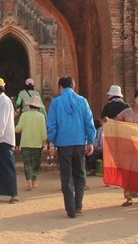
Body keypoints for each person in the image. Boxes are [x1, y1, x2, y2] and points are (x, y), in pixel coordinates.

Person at [46, 75, 96, 218]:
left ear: (60, 87)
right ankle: (78, 206)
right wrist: (90, 141)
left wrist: (51, 143)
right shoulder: (82, 101)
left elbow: (52, 124)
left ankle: (70, 209)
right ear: (73, 87)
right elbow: (89, 122)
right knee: (79, 174)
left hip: (63, 143)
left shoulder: (56, 102)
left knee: (66, 176)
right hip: (80, 142)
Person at [15, 94, 48, 190]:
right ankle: (33, 182)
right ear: (39, 107)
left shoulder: (24, 115)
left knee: (27, 164)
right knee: (36, 164)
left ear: (29, 106)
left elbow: (18, 129)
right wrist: (44, 142)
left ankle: (29, 183)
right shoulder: (41, 116)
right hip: (37, 144)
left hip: (25, 144)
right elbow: (43, 132)